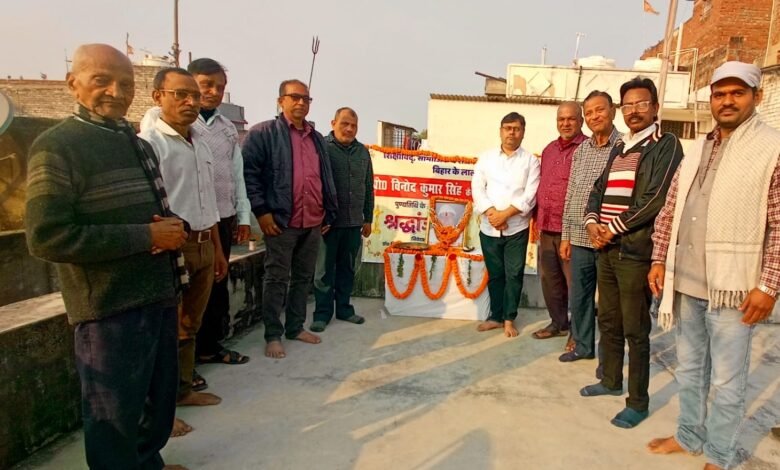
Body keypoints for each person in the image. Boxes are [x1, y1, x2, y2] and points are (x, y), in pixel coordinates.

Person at [25, 44, 187, 470]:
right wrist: (145, 235)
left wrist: (169, 230)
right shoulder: (57, 146)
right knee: (112, 420)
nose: (116, 92)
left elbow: (149, 214)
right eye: (102, 80)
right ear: (73, 84)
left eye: (126, 84)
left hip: (157, 295)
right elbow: (47, 237)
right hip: (108, 310)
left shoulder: (136, 144)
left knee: (156, 410)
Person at [646, 62, 780, 470]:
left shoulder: (771, 148)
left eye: (737, 93)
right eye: (720, 94)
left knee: (726, 380)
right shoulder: (698, 149)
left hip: (733, 288)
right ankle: (689, 435)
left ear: (756, 96)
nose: (727, 101)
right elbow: (671, 208)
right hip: (687, 281)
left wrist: (768, 286)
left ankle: (719, 455)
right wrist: (659, 258)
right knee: (690, 369)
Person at [579, 77, 683, 429]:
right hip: (606, 249)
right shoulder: (621, 146)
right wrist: (592, 223)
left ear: (655, 107)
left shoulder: (666, 144)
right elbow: (598, 189)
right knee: (608, 319)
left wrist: (613, 228)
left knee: (635, 329)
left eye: (641, 104)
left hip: (634, 251)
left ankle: (637, 402)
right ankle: (610, 379)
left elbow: (657, 198)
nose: (634, 111)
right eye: (628, 105)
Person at [140, 68, 228, 436]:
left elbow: (209, 202)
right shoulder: (149, 144)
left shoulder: (201, 143)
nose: (191, 101)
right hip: (171, 248)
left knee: (190, 325)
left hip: (205, 243)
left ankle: (183, 390)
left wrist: (218, 250)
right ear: (158, 96)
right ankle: (160, 414)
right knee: (164, 334)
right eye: (181, 94)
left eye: (194, 95)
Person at [242, 79, 338, 358]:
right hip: (281, 221)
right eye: (294, 97)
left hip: (312, 220)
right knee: (276, 278)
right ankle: (273, 334)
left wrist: (327, 211)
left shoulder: (316, 138)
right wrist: (262, 212)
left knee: (303, 278)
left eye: (306, 99)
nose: (300, 103)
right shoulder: (264, 133)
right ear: (280, 101)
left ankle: (295, 327)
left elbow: (324, 177)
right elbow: (249, 175)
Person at [558, 91, 622, 375]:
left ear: (613, 111)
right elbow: (571, 193)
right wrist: (566, 235)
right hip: (579, 239)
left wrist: (610, 230)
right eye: (590, 112)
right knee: (580, 298)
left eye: (600, 110)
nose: (595, 116)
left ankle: (608, 360)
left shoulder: (624, 147)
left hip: (609, 239)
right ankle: (583, 346)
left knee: (608, 304)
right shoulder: (582, 150)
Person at [472, 112, 541, 337]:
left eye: (516, 128)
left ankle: (509, 319)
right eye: (507, 128)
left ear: (523, 132)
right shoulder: (486, 158)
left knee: (514, 274)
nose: (512, 132)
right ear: (500, 131)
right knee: (495, 275)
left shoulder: (530, 161)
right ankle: (495, 317)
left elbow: (530, 195)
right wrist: (493, 213)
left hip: (516, 229)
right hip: (489, 227)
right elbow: (477, 188)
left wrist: (506, 215)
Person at [311, 107, 374, 332]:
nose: (349, 129)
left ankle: (345, 309)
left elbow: (368, 186)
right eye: (344, 124)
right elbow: (314, 185)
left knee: (347, 269)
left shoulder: (362, 152)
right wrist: (318, 217)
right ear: (333, 123)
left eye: (353, 126)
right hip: (328, 224)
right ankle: (322, 314)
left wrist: (368, 217)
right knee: (324, 272)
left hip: (354, 222)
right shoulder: (322, 148)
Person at [532, 102, 585, 341]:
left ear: (580, 121)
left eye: (571, 119)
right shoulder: (549, 150)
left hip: (572, 231)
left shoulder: (587, 149)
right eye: (561, 119)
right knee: (550, 280)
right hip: (546, 226)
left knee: (575, 284)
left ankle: (578, 332)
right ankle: (559, 323)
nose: (565, 123)